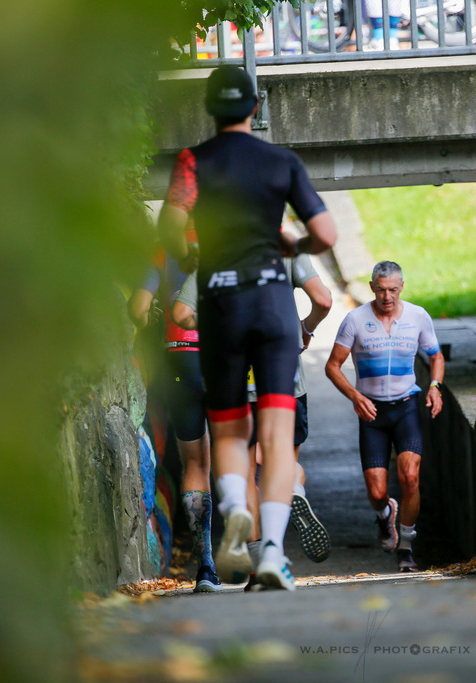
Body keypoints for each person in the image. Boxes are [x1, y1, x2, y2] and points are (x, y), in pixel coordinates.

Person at [157, 65, 337, 591]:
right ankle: (274, 555)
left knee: (230, 427)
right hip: (275, 309)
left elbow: (171, 221)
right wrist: (293, 246)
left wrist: (190, 252)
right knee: (277, 436)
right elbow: (324, 232)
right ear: (255, 107)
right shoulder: (281, 161)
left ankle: (235, 509)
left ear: (211, 110)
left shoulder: (193, 160)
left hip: (221, 305)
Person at [172, 249, 334, 571]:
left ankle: (261, 562)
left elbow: (181, 314)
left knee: (244, 475)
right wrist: (306, 327)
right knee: (280, 463)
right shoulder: (285, 248)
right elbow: (325, 299)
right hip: (283, 377)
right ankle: (294, 489)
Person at [325, 261, 445, 572]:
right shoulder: (355, 320)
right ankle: (384, 513)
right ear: (371, 288)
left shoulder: (418, 316)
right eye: (380, 290)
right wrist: (356, 396)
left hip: (405, 407)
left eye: (392, 289)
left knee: (410, 477)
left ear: (401, 287)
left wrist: (435, 386)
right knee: (377, 492)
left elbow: (436, 355)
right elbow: (332, 366)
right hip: (372, 412)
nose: (387, 296)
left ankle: (406, 547)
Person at [127, 237, 219, 593]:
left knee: (195, 462)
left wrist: (152, 316)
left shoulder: (162, 250)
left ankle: (206, 566)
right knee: (236, 450)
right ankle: (255, 552)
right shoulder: (229, 241)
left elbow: (137, 308)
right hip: (222, 354)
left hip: (180, 354)